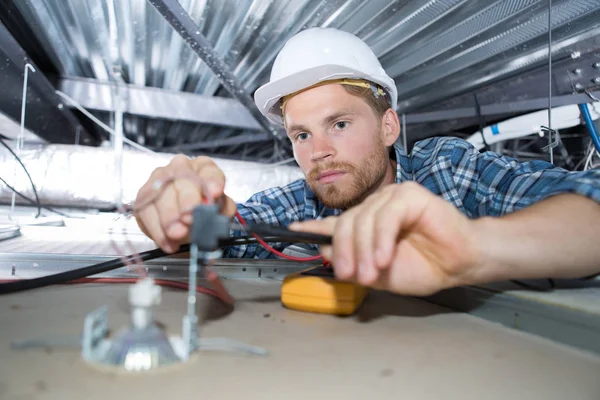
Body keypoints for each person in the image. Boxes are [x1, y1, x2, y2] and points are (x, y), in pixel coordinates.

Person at [134, 27, 600, 297]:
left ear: (389, 127)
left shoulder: (448, 171)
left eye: (339, 124)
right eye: (301, 133)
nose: (318, 151)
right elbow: (236, 233)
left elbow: (588, 202)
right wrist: (189, 215)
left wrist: (474, 249)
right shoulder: (307, 202)